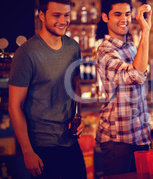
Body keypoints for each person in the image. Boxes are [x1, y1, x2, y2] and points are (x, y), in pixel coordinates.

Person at [8, 0, 86, 178]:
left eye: (66, 15)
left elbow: (76, 85)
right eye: (56, 15)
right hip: (42, 147)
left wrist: (78, 115)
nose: (63, 21)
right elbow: (15, 106)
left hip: (71, 142)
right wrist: (27, 151)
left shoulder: (73, 47)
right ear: (41, 15)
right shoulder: (27, 53)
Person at [95, 0, 152, 176]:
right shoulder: (105, 50)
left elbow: (139, 84)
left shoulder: (131, 46)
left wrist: (149, 128)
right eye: (117, 14)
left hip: (139, 135)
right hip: (117, 140)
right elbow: (135, 76)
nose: (124, 19)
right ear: (105, 17)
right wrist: (146, 31)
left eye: (127, 14)